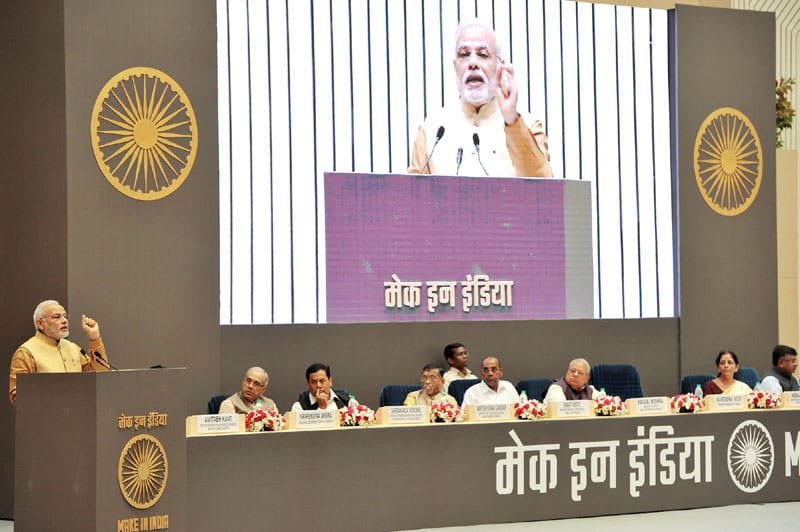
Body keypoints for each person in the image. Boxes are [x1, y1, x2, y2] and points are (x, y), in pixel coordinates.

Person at [408, 20, 552, 178]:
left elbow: (543, 187)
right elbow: (412, 196)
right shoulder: (432, 131)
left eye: (483, 55)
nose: (473, 63)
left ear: (500, 66)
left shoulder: (528, 125)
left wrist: (511, 119)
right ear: (455, 67)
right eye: (464, 55)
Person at [9, 299, 111, 405]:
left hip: (79, 414)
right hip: (48, 416)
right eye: (56, 317)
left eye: (65, 316)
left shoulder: (73, 348)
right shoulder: (26, 352)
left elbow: (100, 375)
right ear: (40, 324)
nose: (64, 320)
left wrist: (94, 338)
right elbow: (18, 396)